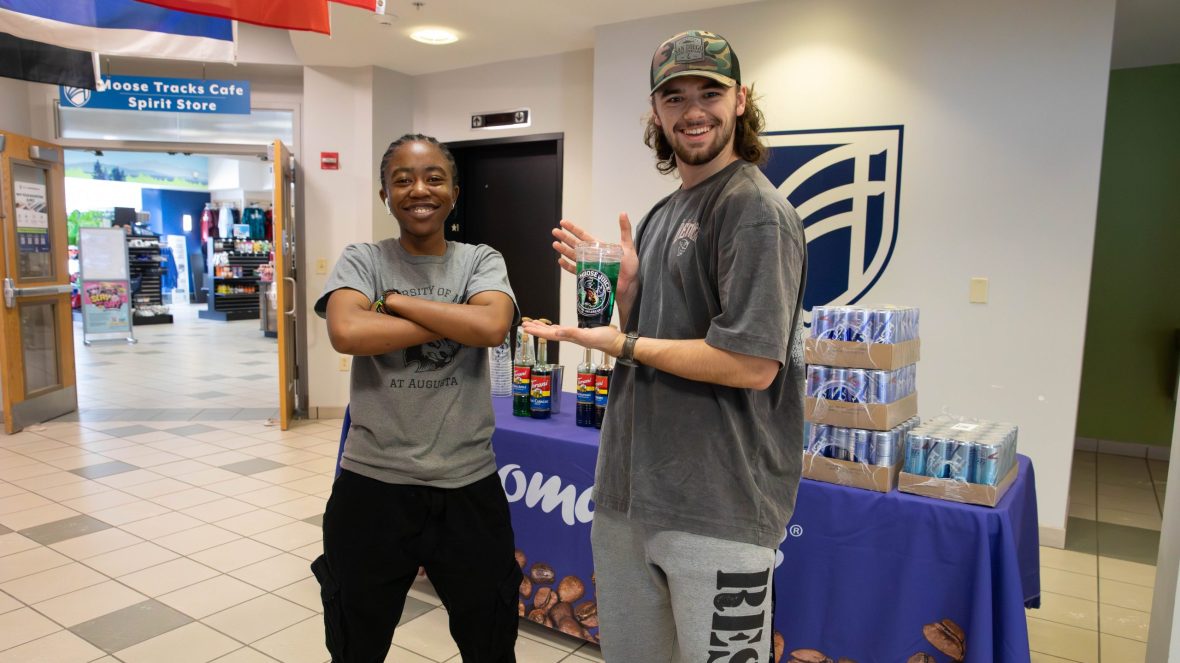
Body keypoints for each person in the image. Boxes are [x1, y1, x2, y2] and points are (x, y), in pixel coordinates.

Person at [524, 30, 807, 662]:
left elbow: (752, 364)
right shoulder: (660, 215)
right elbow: (658, 333)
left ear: (740, 102)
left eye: (710, 92)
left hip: (720, 508)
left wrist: (623, 341)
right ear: (656, 113)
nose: (693, 110)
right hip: (630, 501)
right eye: (673, 97)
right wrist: (628, 295)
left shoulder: (754, 211)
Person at [312, 134, 522, 663]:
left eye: (433, 177)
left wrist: (396, 303)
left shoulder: (480, 259)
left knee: (490, 642)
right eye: (401, 179)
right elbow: (347, 333)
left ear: (454, 191)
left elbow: (493, 325)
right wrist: (455, 318)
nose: (418, 189)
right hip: (372, 485)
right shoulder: (362, 259)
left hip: (468, 484)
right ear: (385, 193)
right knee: (355, 644)